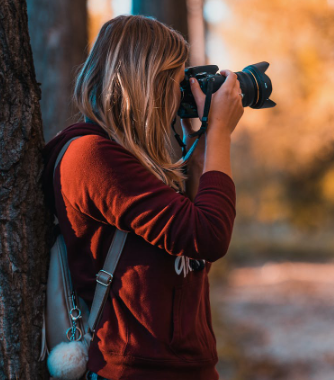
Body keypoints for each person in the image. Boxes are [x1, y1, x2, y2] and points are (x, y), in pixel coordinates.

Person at [40, 15, 243, 380]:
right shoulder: (92, 157)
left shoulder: (137, 160)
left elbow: (191, 243)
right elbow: (208, 235)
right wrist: (219, 135)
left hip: (183, 367)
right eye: (175, 81)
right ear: (148, 82)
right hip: (132, 370)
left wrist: (194, 137)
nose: (180, 92)